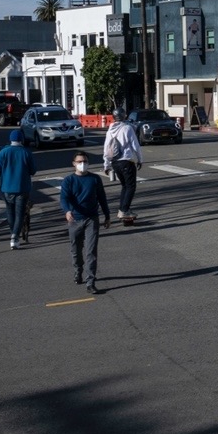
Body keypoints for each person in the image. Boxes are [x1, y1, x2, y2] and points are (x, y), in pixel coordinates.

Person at [60, 151, 112, 295]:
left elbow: (102, 198)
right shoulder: (69, 180)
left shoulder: (95, 179)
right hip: (75, 219)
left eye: (85, 161)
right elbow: (64, 198)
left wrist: (107, 216)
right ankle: (78, 271)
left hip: (92, 219)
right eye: (79, 162)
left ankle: (91, 282)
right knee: (76, 249)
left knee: (91, 251)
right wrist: (67, 211)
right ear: (74, 164)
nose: (83, 164)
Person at [0, 129, 36, 250]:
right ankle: (15, 236)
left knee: (10, 212)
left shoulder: (3, 152)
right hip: (22, 187)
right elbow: (33, 170)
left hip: (7, 187)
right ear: (21, 140)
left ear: (10, 139)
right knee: (20, 213)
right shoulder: (26, 152)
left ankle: (13, 233)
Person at [103, 107, 144, 225]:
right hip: (126, 161)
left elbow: (106, 148)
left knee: (125, 186)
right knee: (131, 187)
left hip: (115, 162)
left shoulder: (110, 130)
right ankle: (124, 210)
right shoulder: (127, 128)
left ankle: (123, 209)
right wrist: (140, 159)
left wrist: (106, 164)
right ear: (125, 116)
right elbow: (135, 145)